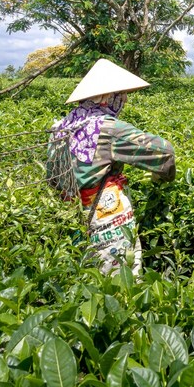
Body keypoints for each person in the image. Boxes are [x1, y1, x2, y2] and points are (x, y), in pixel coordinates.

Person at [49, 58, 175, 275]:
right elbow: (164, 153)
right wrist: (161, 177)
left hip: (68, 217)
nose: (124, 99)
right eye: (120, 95)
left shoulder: (61, 126)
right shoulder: (108, 128)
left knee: (83, 281)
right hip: (106, 217)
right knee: (120, 287)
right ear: (107, 98)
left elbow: (52, 176)